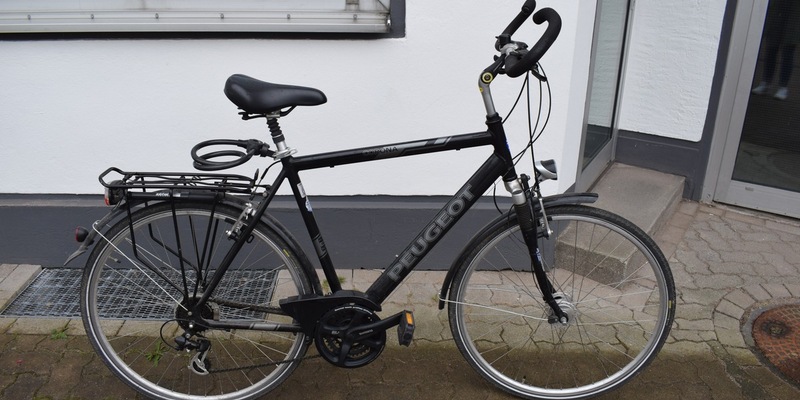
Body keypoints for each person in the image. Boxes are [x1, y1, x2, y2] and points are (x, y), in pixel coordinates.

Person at [752, 0, 800, 100]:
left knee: (788, 52)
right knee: (771, 49)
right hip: (777, 13)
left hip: (794, 15)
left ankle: (783, 87)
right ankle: (765, 83)